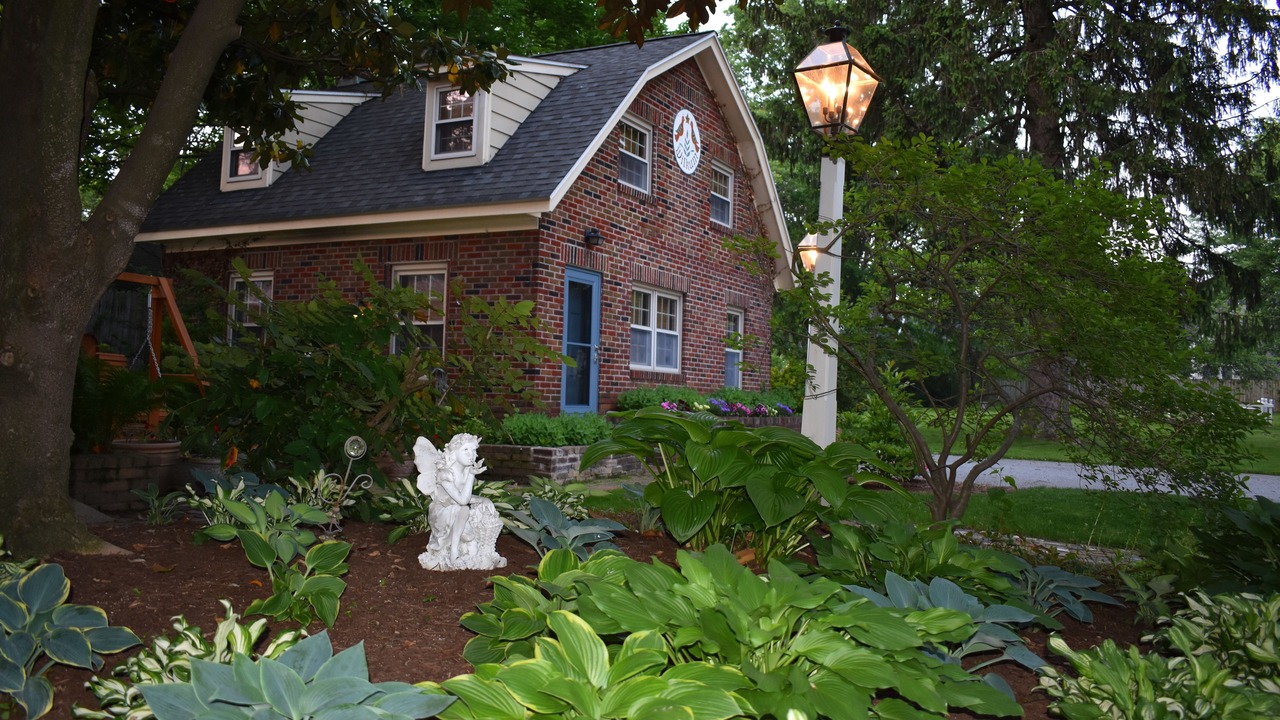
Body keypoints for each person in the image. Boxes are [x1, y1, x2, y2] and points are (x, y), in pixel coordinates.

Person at [414, 433, 506, 571]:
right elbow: (462, 501)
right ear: (454, 452)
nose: (472, 455)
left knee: (471, 541)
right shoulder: (444, 473)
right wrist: (471, 476)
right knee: (463, 509)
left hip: (458, 512)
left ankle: (474, 557)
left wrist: (483, 499)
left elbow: (464, 497)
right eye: (466, 450)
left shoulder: (466, 470)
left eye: (474, 450)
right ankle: (454, 552)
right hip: (442, 514)